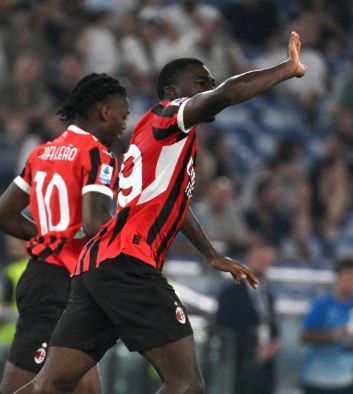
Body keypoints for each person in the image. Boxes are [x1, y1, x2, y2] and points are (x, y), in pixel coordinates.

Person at [18, 31, 306, 394]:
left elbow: (175, 209)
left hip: (97, 267)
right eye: (201, 82)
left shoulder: (153, 137)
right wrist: (286, 69)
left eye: (210, 81)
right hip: (128, 264)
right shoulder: (171, 116)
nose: (209, 86)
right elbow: (229, 93)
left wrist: (212, 254)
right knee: (187, 385)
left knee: (49, 385)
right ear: (172, 91)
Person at [0, 72, 129, 393]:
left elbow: (4, 213)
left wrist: (46, 237)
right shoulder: (98, 155)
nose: (124, 124)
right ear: (103, 111)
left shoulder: (41, 153)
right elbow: (94, 223)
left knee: (82, 385)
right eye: (122, 115)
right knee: (23, 385)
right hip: (60, 283)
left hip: (52, 280)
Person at [299, 257, 353, 394]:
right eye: (346, 276)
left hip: (346, 379)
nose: (349, 281)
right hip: (317, 380)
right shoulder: (321, 304)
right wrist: (333, 335)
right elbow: (305, 337)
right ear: (337, 278)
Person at [216, 243, 281, 394]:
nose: (263, 264)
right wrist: (252, 350)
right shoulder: (230, 293)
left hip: (265, 366)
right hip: (238, 364)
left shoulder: (267, 294)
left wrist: (276, 341)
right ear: (248, 259)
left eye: (266, 260)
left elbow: (269, 323)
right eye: (259, 258)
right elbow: (223, 327)